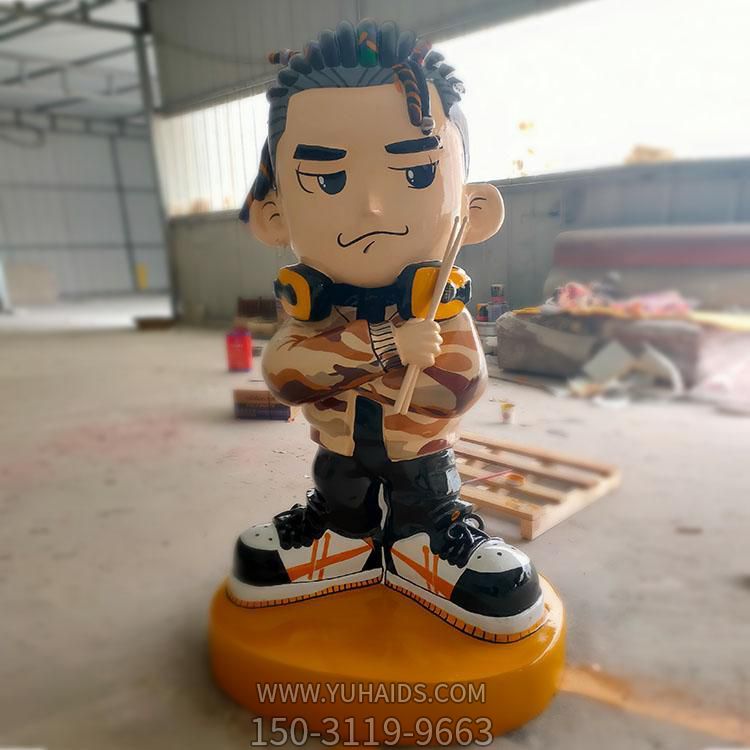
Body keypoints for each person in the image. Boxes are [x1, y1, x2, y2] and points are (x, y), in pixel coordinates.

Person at [229, 19, 544, 642]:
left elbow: (458, 388)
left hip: (420, 458)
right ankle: (343, 537)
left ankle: (424, 540)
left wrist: (347, 362)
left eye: (417, 173)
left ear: (474, 209)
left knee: (425, 487)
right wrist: (386, 348)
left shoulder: (437, 306)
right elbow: (286, 375)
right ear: (273, 215)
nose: (371, 206)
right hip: (339, 452)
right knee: (338, 482)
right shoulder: (313, 307)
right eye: (327, 179)